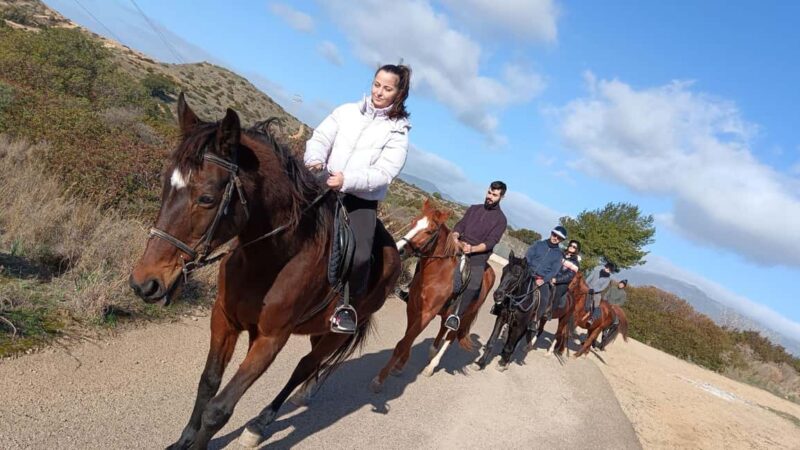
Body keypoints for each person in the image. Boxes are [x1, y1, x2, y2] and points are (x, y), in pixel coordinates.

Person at [304, 64, 412, 333]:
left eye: (387, 88)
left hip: (360, 200)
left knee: (362, 254)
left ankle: (346, 307)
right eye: (377, 84)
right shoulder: (346, 111)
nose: (379, 91)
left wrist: (347, 180)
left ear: (399, 93)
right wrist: (315, 160)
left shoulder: (398, 131)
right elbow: (321, 137)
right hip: (322, 184)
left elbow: (384, 172)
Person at [443, 181, 508, 331]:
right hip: (458, 246)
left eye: (495, 195)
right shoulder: (474, 208)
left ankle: (456, 316)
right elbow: (460, 225)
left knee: (474, 283)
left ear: (501, 197)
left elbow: (491, 242)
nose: (490, 197)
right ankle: (410, 290)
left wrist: (472, 249)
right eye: (489, 193)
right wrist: (455, 237)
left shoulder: (501, 220)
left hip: (477, 256)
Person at [524, 226, 567, 323]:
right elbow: (528, 256)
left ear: (561, 240)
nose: (555, 238)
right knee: (510, 284)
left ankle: (534, 322)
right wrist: (528, 270)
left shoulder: (559, 255)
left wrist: (543, 280)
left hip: (542, 279)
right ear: (551, 233)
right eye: (554, 235)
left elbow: (554, 271)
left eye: (559, 238)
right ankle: (499, 306)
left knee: (544, 299)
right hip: (528, 273)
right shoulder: (538, 244)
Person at [546, 239, 581, 320]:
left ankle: (550, 312)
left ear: (576, 250)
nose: (572, 247)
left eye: (574, 247)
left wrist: (556, 280)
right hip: (550, 276)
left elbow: (569, 276)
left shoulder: (575, 263)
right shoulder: (560, 254)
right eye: (571, 245)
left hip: (562, 283)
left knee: (557, 292)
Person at [583, 261, 618, 328]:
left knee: (596, 305)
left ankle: (592, 319)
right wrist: (586, 287)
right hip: (587, 288)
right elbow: (588, 279)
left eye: (609, 270)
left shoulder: (608, 279)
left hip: (596, 293)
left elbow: (602, 288)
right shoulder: (596, 272)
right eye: (607, 268)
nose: (608, 270)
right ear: (605, 267)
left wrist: (594, 290)